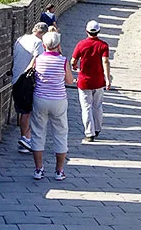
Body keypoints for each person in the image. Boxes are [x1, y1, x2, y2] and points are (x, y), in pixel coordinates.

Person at [29, 31, 74, 181]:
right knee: (60, 134)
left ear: (44, 45)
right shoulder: (63, 61)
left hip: (40, 98)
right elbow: (69, 81)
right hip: (58, 100)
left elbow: (29, 73)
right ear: (58, 45)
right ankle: (59, 171)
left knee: (38, 133)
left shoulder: (38, 59)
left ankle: (38, 169)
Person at [71, 20, 111, 142]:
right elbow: (105, 61)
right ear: (98, 31)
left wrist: (74, 66)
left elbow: (73, 60)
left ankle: (89, 133)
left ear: (86, 31)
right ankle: (97, 128)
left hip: (84, 81)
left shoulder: (81, 44)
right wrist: (107, 78)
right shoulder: (103, 45)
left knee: (86, 107)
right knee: (97, 106)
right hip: (98, 81)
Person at [12, 22, 48, 154]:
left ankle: (26, 138)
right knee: (27, 112)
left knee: (24, 111)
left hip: (16, 79)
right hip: (27, 81)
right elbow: (38, 62)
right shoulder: (38, 43)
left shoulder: (20, 39)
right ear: (43, 34)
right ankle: (25, 140)